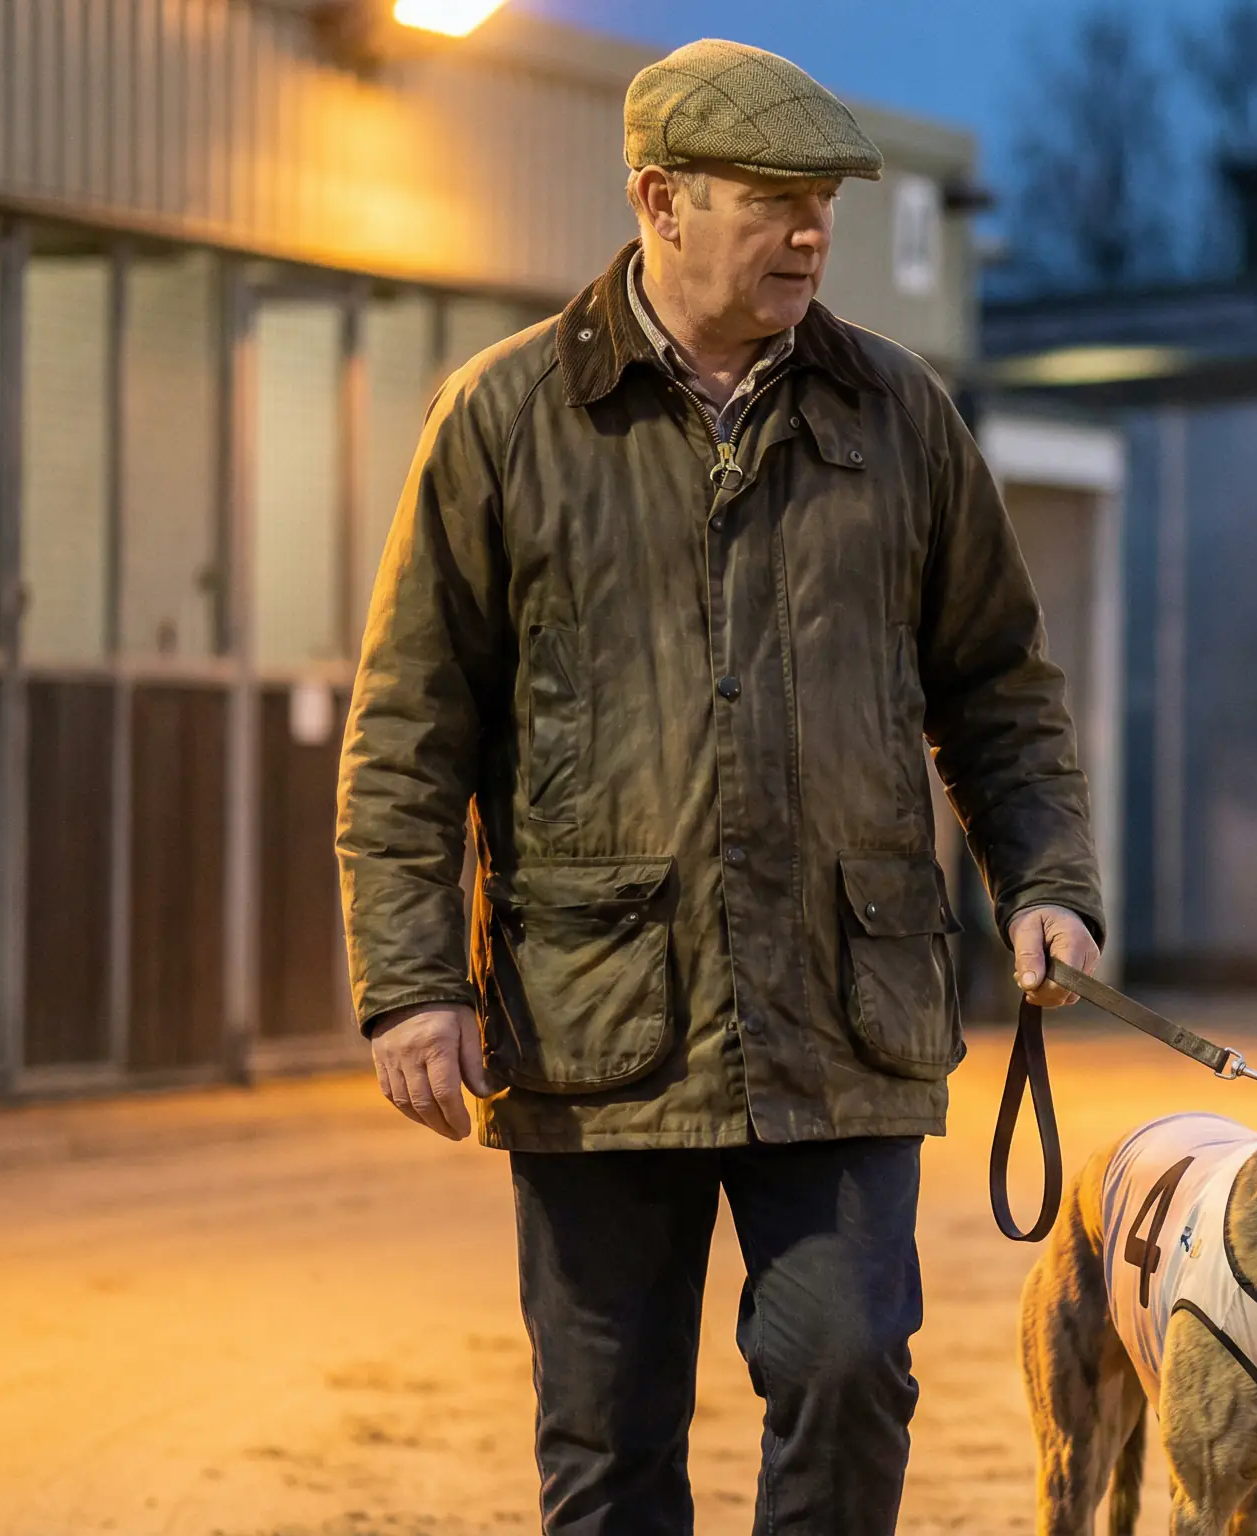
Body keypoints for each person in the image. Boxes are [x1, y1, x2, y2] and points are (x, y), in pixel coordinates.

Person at [335, 37, 1103, 1534]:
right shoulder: (502, 424)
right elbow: (409, 730)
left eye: (822, 201)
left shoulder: (902, 421)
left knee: (847, 1369)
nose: (812, 232)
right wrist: (411, 981)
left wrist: (1050, 881)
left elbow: (1000, 686)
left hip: (844, 1010)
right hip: (595, 1020)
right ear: (657, 199)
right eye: (772, 199)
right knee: (609, 1444)